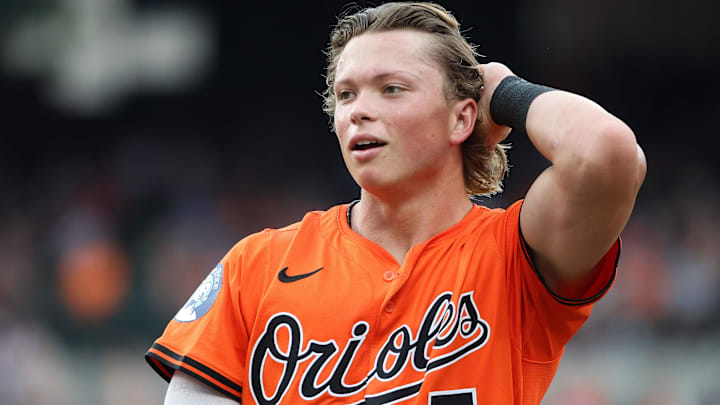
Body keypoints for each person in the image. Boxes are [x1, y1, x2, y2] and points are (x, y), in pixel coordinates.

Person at [145, 2, 646, 404]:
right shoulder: (257, 264)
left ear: (461, 119)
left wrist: (504, 91)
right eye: (345, 95)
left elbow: (607, 154)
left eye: (392, 89)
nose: (360, 111)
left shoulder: (516, 255)